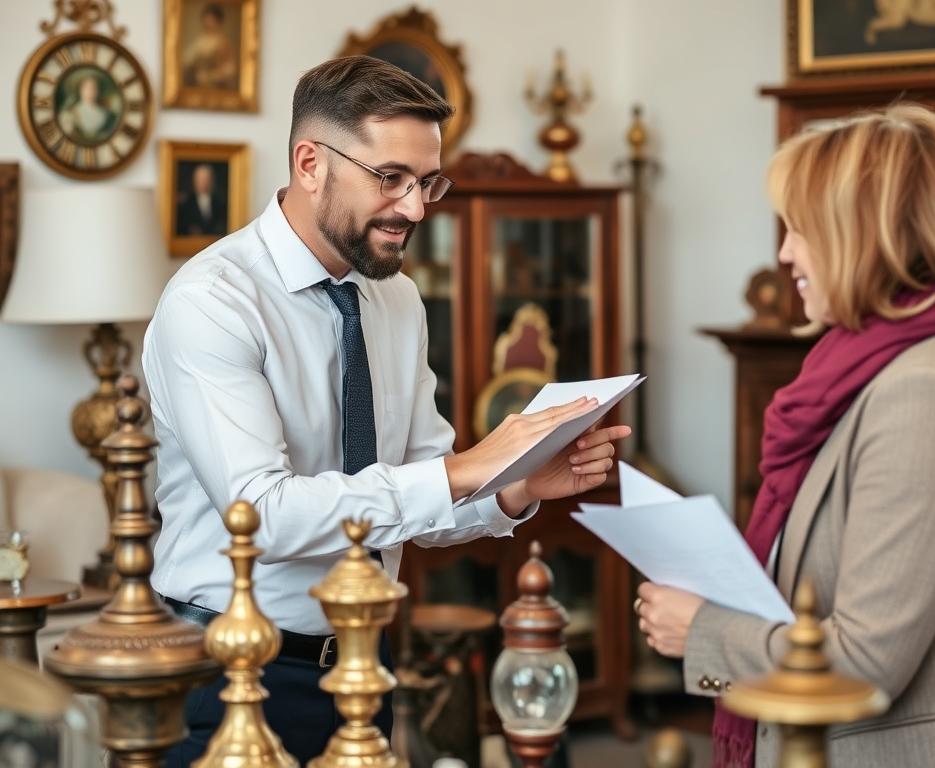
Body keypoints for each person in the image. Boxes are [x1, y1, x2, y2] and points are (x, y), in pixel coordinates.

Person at [143, 55, 630, 767]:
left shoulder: (396, 298)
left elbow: (417, 492)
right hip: (227, 671)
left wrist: (515, 485)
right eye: (390, 179)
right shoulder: (212, 302)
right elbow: (262, 513)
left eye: (428, 181)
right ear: (311, 163)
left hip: (366, 663)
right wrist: (466, 470)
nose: (417, 208)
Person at [635, 103, 935, 768]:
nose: (785, 252)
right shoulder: (889, 365)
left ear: (864, 235)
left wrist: (702, 629)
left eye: (801, 229)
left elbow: (863, 663)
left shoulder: (926, 392)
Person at [182, 2, 238, 89]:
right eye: (206, 19)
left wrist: (210, 76)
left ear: (217, 21)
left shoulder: (223, 43)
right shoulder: (200, 41)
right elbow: (187, 59)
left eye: (211, 19)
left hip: (216, 88)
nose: (208, 23)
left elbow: (230, 70)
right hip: (198, 87)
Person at [57, 72, 116, 143]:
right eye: (87, 87)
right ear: (80, 90)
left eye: (94, 88)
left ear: (98, 91)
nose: (91, 91)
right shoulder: (69, 114)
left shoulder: (106, 114)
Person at [175, 163, 227, 236]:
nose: (203, 182)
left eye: (206, 179)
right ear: (194, 180)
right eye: (200, 179)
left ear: (211, 180)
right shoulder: (186, 203)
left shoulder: (219, 203)